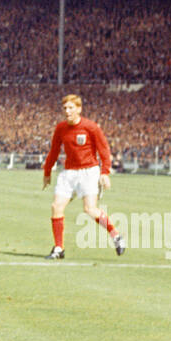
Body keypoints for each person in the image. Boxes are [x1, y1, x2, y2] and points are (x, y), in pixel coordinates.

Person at [42, 94, 124, 259]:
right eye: (65, 108)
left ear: (79, 109)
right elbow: (54, 151)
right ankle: (59, 248)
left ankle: (116, 235)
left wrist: (105, 172)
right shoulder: (60, 128)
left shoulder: (91, 127)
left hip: (88, 171)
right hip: (68, 173)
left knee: (89, 209)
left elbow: (104, 150)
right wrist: (47, 171)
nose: (67, 111)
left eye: (71, 107)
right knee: (56, 207)